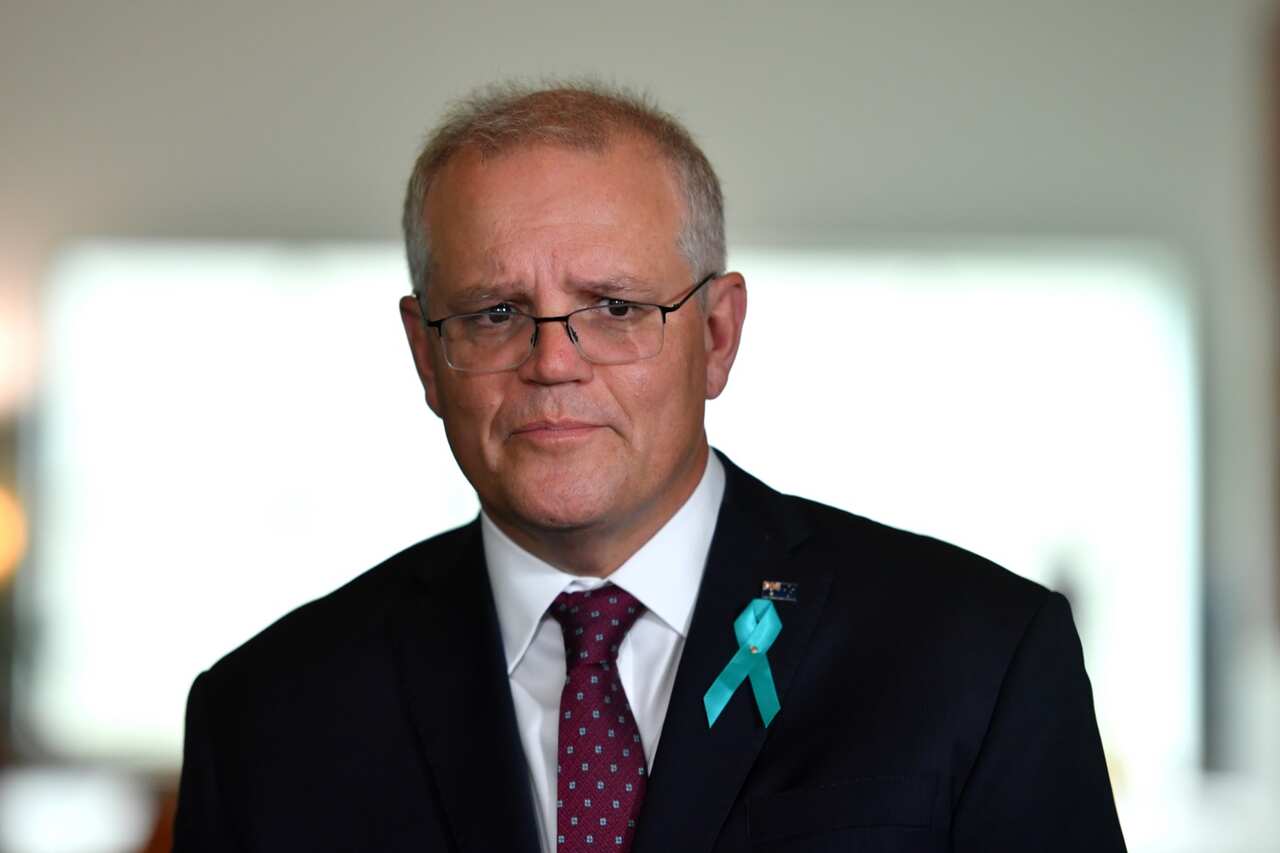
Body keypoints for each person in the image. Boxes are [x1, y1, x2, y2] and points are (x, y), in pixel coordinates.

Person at [173, 82, 1126, 852]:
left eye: (617, 308)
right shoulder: (266, 718)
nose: (553, 361)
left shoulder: (977, 658)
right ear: (427, 355)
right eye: (496, 313)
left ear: (717, 335)